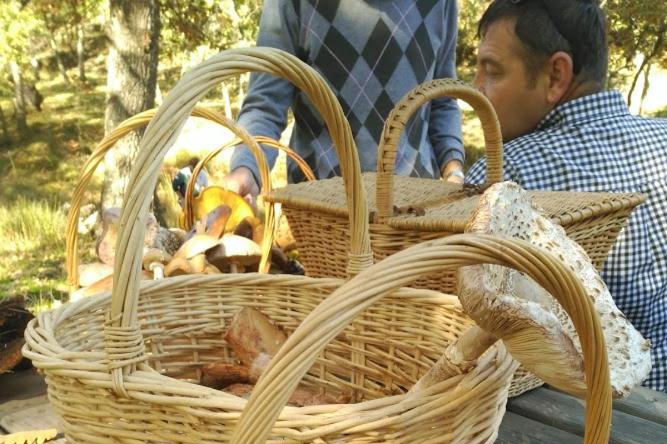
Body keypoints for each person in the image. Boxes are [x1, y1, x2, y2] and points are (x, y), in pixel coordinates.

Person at [465, 0, 667, 392]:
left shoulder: (504, 179)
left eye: (492, 70)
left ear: (556, 76)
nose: (476, 86)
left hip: (565, 407)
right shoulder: (662, 139)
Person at [225, 0, 465, 201]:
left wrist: (454, 170)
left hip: (414, 208)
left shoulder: (440, 4)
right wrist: (247, 168)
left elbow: (442, 98)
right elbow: (266, 103)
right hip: (321, 209)